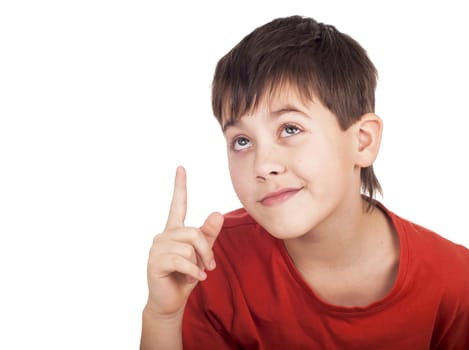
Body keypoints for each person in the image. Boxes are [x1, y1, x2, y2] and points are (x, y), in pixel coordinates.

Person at [140, 15, 469, 349]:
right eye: (241, 141)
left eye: (290, 129)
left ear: (362, 141)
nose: (263, 165)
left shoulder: (456, 282)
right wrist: (162, 316)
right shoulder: (207, 265)